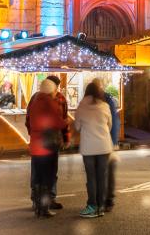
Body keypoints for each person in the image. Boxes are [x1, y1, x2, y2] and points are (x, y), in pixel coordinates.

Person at [26, 75, 70, 211]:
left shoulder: (36, 98)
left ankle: (40, 200)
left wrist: (32, 134)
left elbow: (28, 119)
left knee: (40, 172)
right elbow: (61, 121)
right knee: (48, 172)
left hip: (39, 142)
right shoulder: (55, 100)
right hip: (50, 141)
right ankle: (45, 201)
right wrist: (66, 136)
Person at [74, 82, 113, 218]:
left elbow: (77, 127)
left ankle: (92, 206)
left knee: (91, 178)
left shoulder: (81, 107)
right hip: (104, 146)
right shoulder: (105, 106)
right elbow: (109, 125)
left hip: (88, 148)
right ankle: (101, 207)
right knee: (102, 177)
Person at [94, 79, 122, 212]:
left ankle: (104, 199)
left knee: (100, 172)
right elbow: (114, 122)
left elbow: (113, 122)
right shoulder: (107, 100)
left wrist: (113, 142)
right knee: (105, 172)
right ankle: (106, 199)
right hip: (104, 141)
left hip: (101, 142)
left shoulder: (104, 100)